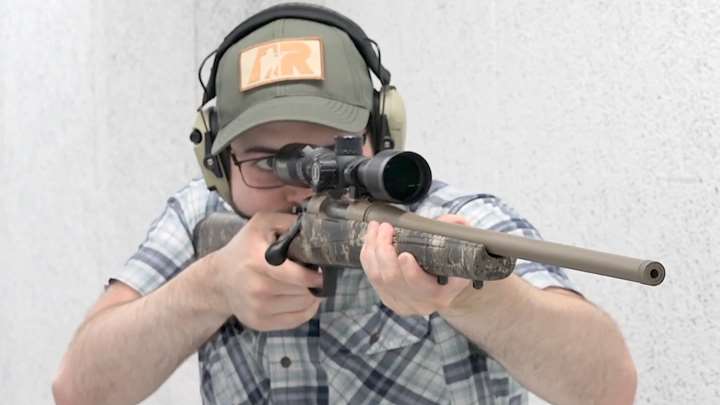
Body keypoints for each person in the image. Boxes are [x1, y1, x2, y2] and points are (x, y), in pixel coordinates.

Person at [53, 3, 637, 405]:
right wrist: (210, 288)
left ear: (379, 142)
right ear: (215, 162)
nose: (305, 184)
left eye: (330, 150)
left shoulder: (445, 222)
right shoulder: (203, 219)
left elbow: (608, 386)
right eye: (265, 160)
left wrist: (476, 300)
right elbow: (79, 389)